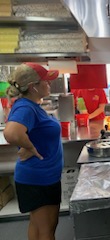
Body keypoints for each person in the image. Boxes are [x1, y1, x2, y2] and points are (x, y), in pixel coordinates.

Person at [3, 62, 63, 240]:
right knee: (47, 230)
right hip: (39, 178)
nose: (49, 84)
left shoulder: (31, 105)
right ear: (33, 87)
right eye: (45, 81)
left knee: (38, 227)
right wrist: (30, 147)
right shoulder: (26, 107)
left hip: (40, 177)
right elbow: (12, 133)